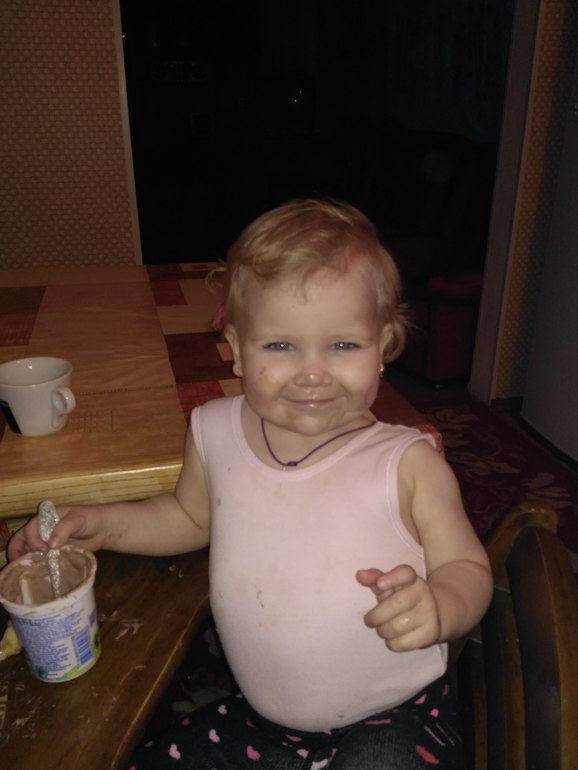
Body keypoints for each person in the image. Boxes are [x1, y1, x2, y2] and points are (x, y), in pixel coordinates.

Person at [9, 199, 492, 769]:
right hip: (267, 725)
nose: (313, 372)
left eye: (343, 345)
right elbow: (189, 518)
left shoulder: (407, 464)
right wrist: (103, 524)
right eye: (281, 346)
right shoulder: (213, 430)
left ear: (382, 346)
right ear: (237, 348)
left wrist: (440, 605)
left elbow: (468, 568)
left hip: (397, 716)